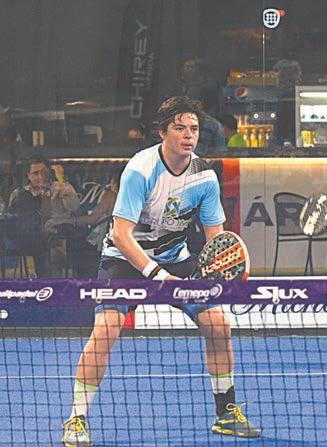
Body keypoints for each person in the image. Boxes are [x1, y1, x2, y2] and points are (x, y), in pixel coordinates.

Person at [61, 96, 261, 446]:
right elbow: (121, 235)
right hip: (124, 260)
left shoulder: (205, 177)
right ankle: (76, 418)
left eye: (193, 129)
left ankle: (226, 413)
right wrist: (156, 275)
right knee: (105, 330)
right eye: (180, 128)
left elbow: (215, 242)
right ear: (163, 133)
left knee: (218, 325)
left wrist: (219, 274)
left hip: (176, 258)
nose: (188, 135)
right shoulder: (141, 169)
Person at [7, 156, 79, 277]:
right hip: (28, 238)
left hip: (57, 236)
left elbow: (74, 206)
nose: (40, 177)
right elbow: (11, 217)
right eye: (35, 173)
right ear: (28, 175)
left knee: (51, 246)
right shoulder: (19, 193)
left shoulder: (60, 187)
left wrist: (61, 181)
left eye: (44, 172)